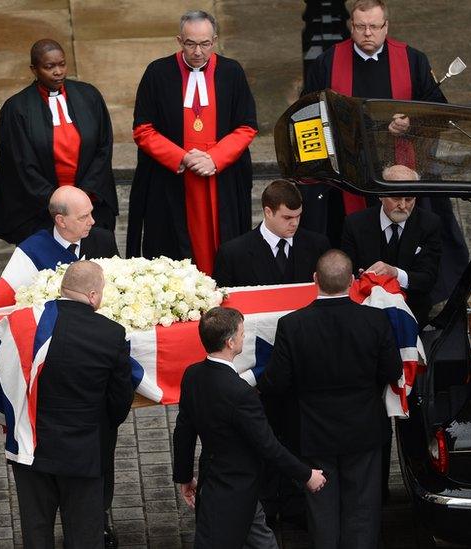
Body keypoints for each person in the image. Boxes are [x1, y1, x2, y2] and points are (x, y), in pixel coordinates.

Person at [301, 0, 467, 302]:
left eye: (374, 27)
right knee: (353, 232)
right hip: (349, 175)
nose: (367, 33)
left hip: (402, 167)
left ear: (386, 27)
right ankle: (351, 295)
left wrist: (411, 120)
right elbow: (308, 115)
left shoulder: (412, 60)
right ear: (351, 26)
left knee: (406, 234)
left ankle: (411, 297)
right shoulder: (327, 62)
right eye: (360, 26)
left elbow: (439, 112)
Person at [258, 250, 402, 549]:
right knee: (363, 508)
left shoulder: (292, 325)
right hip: (364, 430)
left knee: (321, 508)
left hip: (314, 432)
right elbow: (392, 370)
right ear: (352, 281)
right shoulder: (375, 320)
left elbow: (277, 382)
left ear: (314, 280)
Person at [173, 306, 326, 548]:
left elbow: (184, 431)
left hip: (215, 480)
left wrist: (183, 476)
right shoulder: (241, 392)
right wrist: (306, 475)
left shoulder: (192, 375)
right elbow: (268, 445)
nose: (245, 337)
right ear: (231, 342)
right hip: (235, 488)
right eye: (242, 334)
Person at [11, 260, 133, 549]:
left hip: (32, 447)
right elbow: (119, 401)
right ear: (93, 296)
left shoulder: (27, 323)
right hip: (83, 453)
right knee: (84, 536)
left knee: (36, 532)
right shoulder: (111, 334)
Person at [127, 10, 258, 275]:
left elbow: (247, 126)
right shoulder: (157, 72)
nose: (198, 51)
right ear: (179, 40)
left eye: (205, 43)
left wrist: (214, 158)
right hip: (174, 179)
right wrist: (182, 157)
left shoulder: (231, 72)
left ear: (215, 40)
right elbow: (143, 129)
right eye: (190, 43)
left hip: (220, 177)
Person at [0, 38, 117, 245]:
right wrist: (59, 202)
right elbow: (20, 163)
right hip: (41, 209)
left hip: (89, 201)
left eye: (62, 64)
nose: (58, 71)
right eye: (49, 67)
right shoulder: (17, 108)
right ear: (34, 69)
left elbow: (104, 147)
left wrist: (82, 195)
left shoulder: (89, 95)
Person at [0, 185, 118, 314]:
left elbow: (118, 284)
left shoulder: (104, 240)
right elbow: (10, 297)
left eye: (91, 213)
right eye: (83, 217)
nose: (92, 221)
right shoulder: (31, 251)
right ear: (61, 221)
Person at [341, 165, 441, 323]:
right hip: (366, 312)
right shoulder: (355, 224)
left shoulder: (429, 224)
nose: (403, 205)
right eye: (396, 198)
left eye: (409, 199)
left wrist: (395, 273)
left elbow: (428, 279)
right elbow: (347, 274)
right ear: (380, 195)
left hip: (411, 313)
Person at [213, 179, 330, 287]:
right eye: (287, 217)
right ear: (268, 212)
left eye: (298, 216)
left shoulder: (318, 246)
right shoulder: (232, 254)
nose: (295, 223)